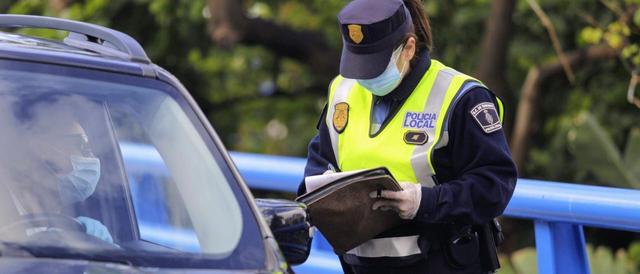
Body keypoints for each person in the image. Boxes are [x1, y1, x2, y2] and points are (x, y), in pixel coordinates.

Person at [299, 0, 517, 273]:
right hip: (363, 265)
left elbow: (494, 185)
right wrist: (312, 210)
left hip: (441, 262)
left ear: (409, 48)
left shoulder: (461, 97)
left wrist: (424, 201)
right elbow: (319, 165)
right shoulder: (343, 91)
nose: (365, 78)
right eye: (359, 67)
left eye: (374, 67)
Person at [7, 118, 114, 243]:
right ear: (41, 149)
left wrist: (108, 251)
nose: (91, 157)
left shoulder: (81, 229)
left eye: (89, 148)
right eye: (80, 144)